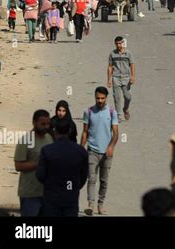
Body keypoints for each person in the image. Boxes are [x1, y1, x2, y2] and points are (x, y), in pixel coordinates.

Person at [36, 120, 89, 217]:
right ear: (69, 131)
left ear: (55, 131)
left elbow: (40, 175)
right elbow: (83, 177)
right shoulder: (81, 152)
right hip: (70, 199)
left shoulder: (47, 150)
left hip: (51, 199)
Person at [81, 87, 119, 216]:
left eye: (102, 98)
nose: (100, 100)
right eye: (98, 98)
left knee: (104, 180)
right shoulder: (89, 112)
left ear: (106, 98)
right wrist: (81, 148)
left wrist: (111, 147)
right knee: (91, 179)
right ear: (95, 97)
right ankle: (91, 204)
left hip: (107, 153)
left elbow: (116, 134)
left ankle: (100, 204)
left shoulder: (112, 112)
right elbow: (85, 132)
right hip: (92, 150)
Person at [14, 110, 53, 216]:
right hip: (30, 194)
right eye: (43, 124)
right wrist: (40, 163)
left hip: (47, 193)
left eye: (48, 124)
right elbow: (18, 165)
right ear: (34, 123)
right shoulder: (25, 140)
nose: (46, 127)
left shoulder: (49, 138)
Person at [107, 36, 136, 122]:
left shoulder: (128, 53)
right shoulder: (112, 54)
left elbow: (132, 65)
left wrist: (133, 76)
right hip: (116, 77)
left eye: (120, 43)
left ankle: (125, 109)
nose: (118, 45)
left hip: (126, 78)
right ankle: (118, 115)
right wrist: (109, 79)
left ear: (122, 43)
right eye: (117, 43)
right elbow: (110, 67)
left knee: (128, 97)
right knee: (117, 97)